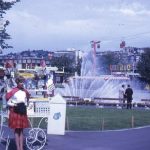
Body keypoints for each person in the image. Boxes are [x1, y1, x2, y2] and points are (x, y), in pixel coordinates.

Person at [6, 76, 30, 150]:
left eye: (23, 82)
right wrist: (13, 104)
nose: (22, 83)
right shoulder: (13, 91)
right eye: (20, 82)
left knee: (21, 130)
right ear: (17, 82)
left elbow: (27, 98)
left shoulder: (25, 91)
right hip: (15, 111)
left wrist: (25, 104)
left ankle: (21, 147)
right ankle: (18, 147)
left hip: (22, 111)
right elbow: (7, 99)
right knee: (17, 130)